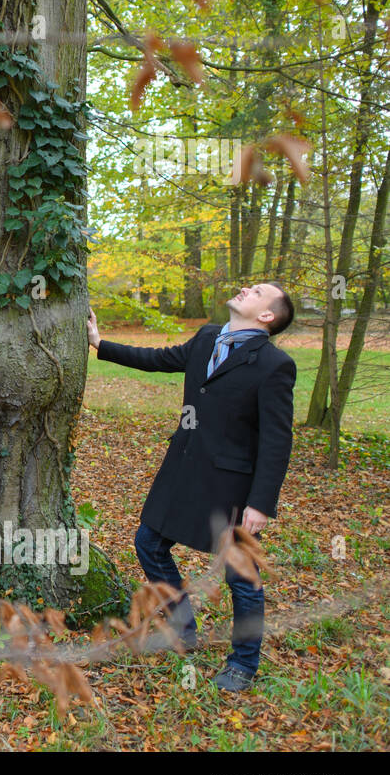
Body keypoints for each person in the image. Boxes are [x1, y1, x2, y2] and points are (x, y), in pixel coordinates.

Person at [86, 283, 297, 692]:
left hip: (232, 486)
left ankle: (243, 663)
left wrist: (261, 504)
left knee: (241, 577)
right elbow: (161, 359)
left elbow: (277, 440)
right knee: (148, 543)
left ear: (267, 316)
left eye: (255, 291)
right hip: (183, 470)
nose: (243, 289)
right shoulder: (207, 337)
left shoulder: (274, 365)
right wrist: (100, 343)